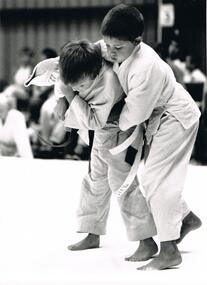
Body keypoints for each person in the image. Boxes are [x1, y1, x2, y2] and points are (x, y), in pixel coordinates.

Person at [25, 40, 158, 261]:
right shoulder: (75, 63)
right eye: (73, 84)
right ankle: (92, 231)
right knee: (95, 179)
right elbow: (61, 77)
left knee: (122, 183)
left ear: (94, 72)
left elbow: (94, 121)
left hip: (120, 127)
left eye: (81, 86)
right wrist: (60, 98)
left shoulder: (107, 82)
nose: (76, 88)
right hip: (103, 132)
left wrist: (69, 96)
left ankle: (147, 240)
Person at [100, 4, 202, 270]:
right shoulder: (114, 43)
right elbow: (92, 51)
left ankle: (169, 250)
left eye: (117, 48)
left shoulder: (146, 67)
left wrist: (101, 119)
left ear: (137, 41)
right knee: (154, 176)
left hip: (176, 117)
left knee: (156, 178)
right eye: (108, 45)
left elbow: (133, 115)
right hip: (159, 117)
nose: (111, 52)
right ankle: (186, 218)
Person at [0, 92, 33, 158]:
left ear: (8, 107)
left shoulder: (16, 117)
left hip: (17, 159)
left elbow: (23, 145)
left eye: (1, 109)